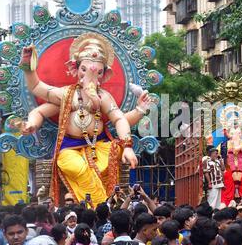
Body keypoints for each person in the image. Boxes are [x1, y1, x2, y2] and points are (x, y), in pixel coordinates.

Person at [19, 34, 152, 208]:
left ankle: (100, 207)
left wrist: (127, 145)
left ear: (104, 75)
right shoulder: (66, 95)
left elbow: (119, 119)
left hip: (99, 146)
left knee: (112, 154)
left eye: (97, 72)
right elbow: (37, 90)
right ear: (76, 69)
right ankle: (101, 206)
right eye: (85, 69)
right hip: (70, 148)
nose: (90, 76)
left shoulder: (103, 97)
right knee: (75, 167)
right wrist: (29, 68)